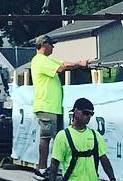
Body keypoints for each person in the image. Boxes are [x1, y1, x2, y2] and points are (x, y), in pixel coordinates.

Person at [31, 35, 89, 169]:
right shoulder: (39, 60)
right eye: (51, 44)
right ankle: (42, 169)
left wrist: (77, 63)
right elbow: (61, 67)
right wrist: (80, 64)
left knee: (56, 139)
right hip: (46, 105)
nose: (53, 47)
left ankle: (53, 168)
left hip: (52, 106)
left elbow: (63, 63)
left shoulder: (46, 60)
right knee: (46, 137)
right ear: (44, 44)